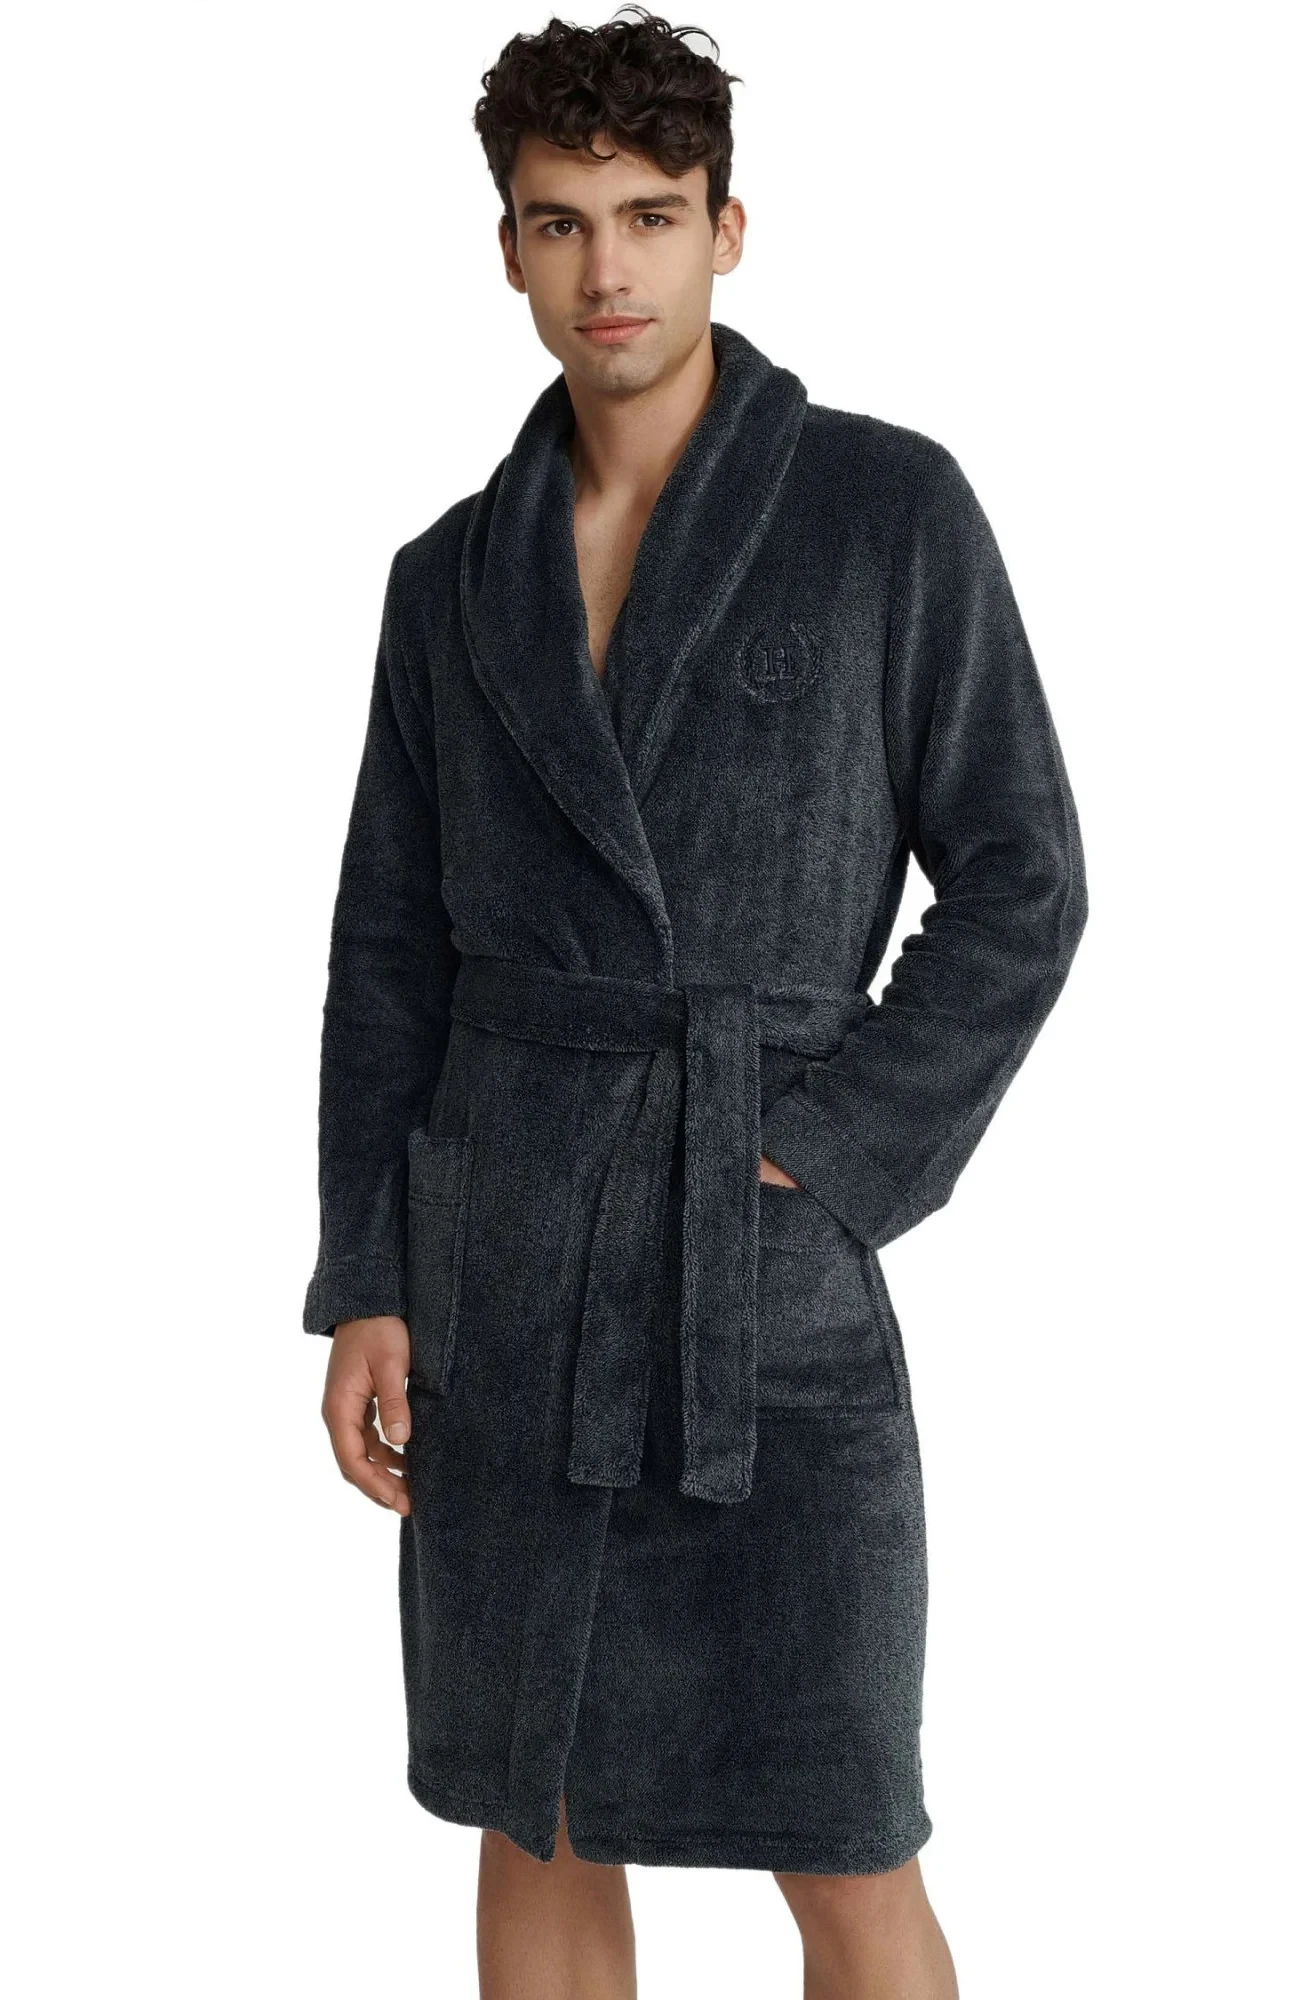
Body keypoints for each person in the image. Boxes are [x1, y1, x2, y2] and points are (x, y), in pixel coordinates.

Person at [303, 8, 1088, 1994]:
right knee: (537, 1807)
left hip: (760, 1281)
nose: (609, 270)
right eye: (560, 222)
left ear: (730, 227)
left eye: (651, 215)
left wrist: (821, 1152)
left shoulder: (884, 512)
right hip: (506, 1263)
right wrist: (372, 1276)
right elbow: (389, 952)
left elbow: (1024, 876)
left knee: (846, 1832)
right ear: (505, 247)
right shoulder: (446, 580)